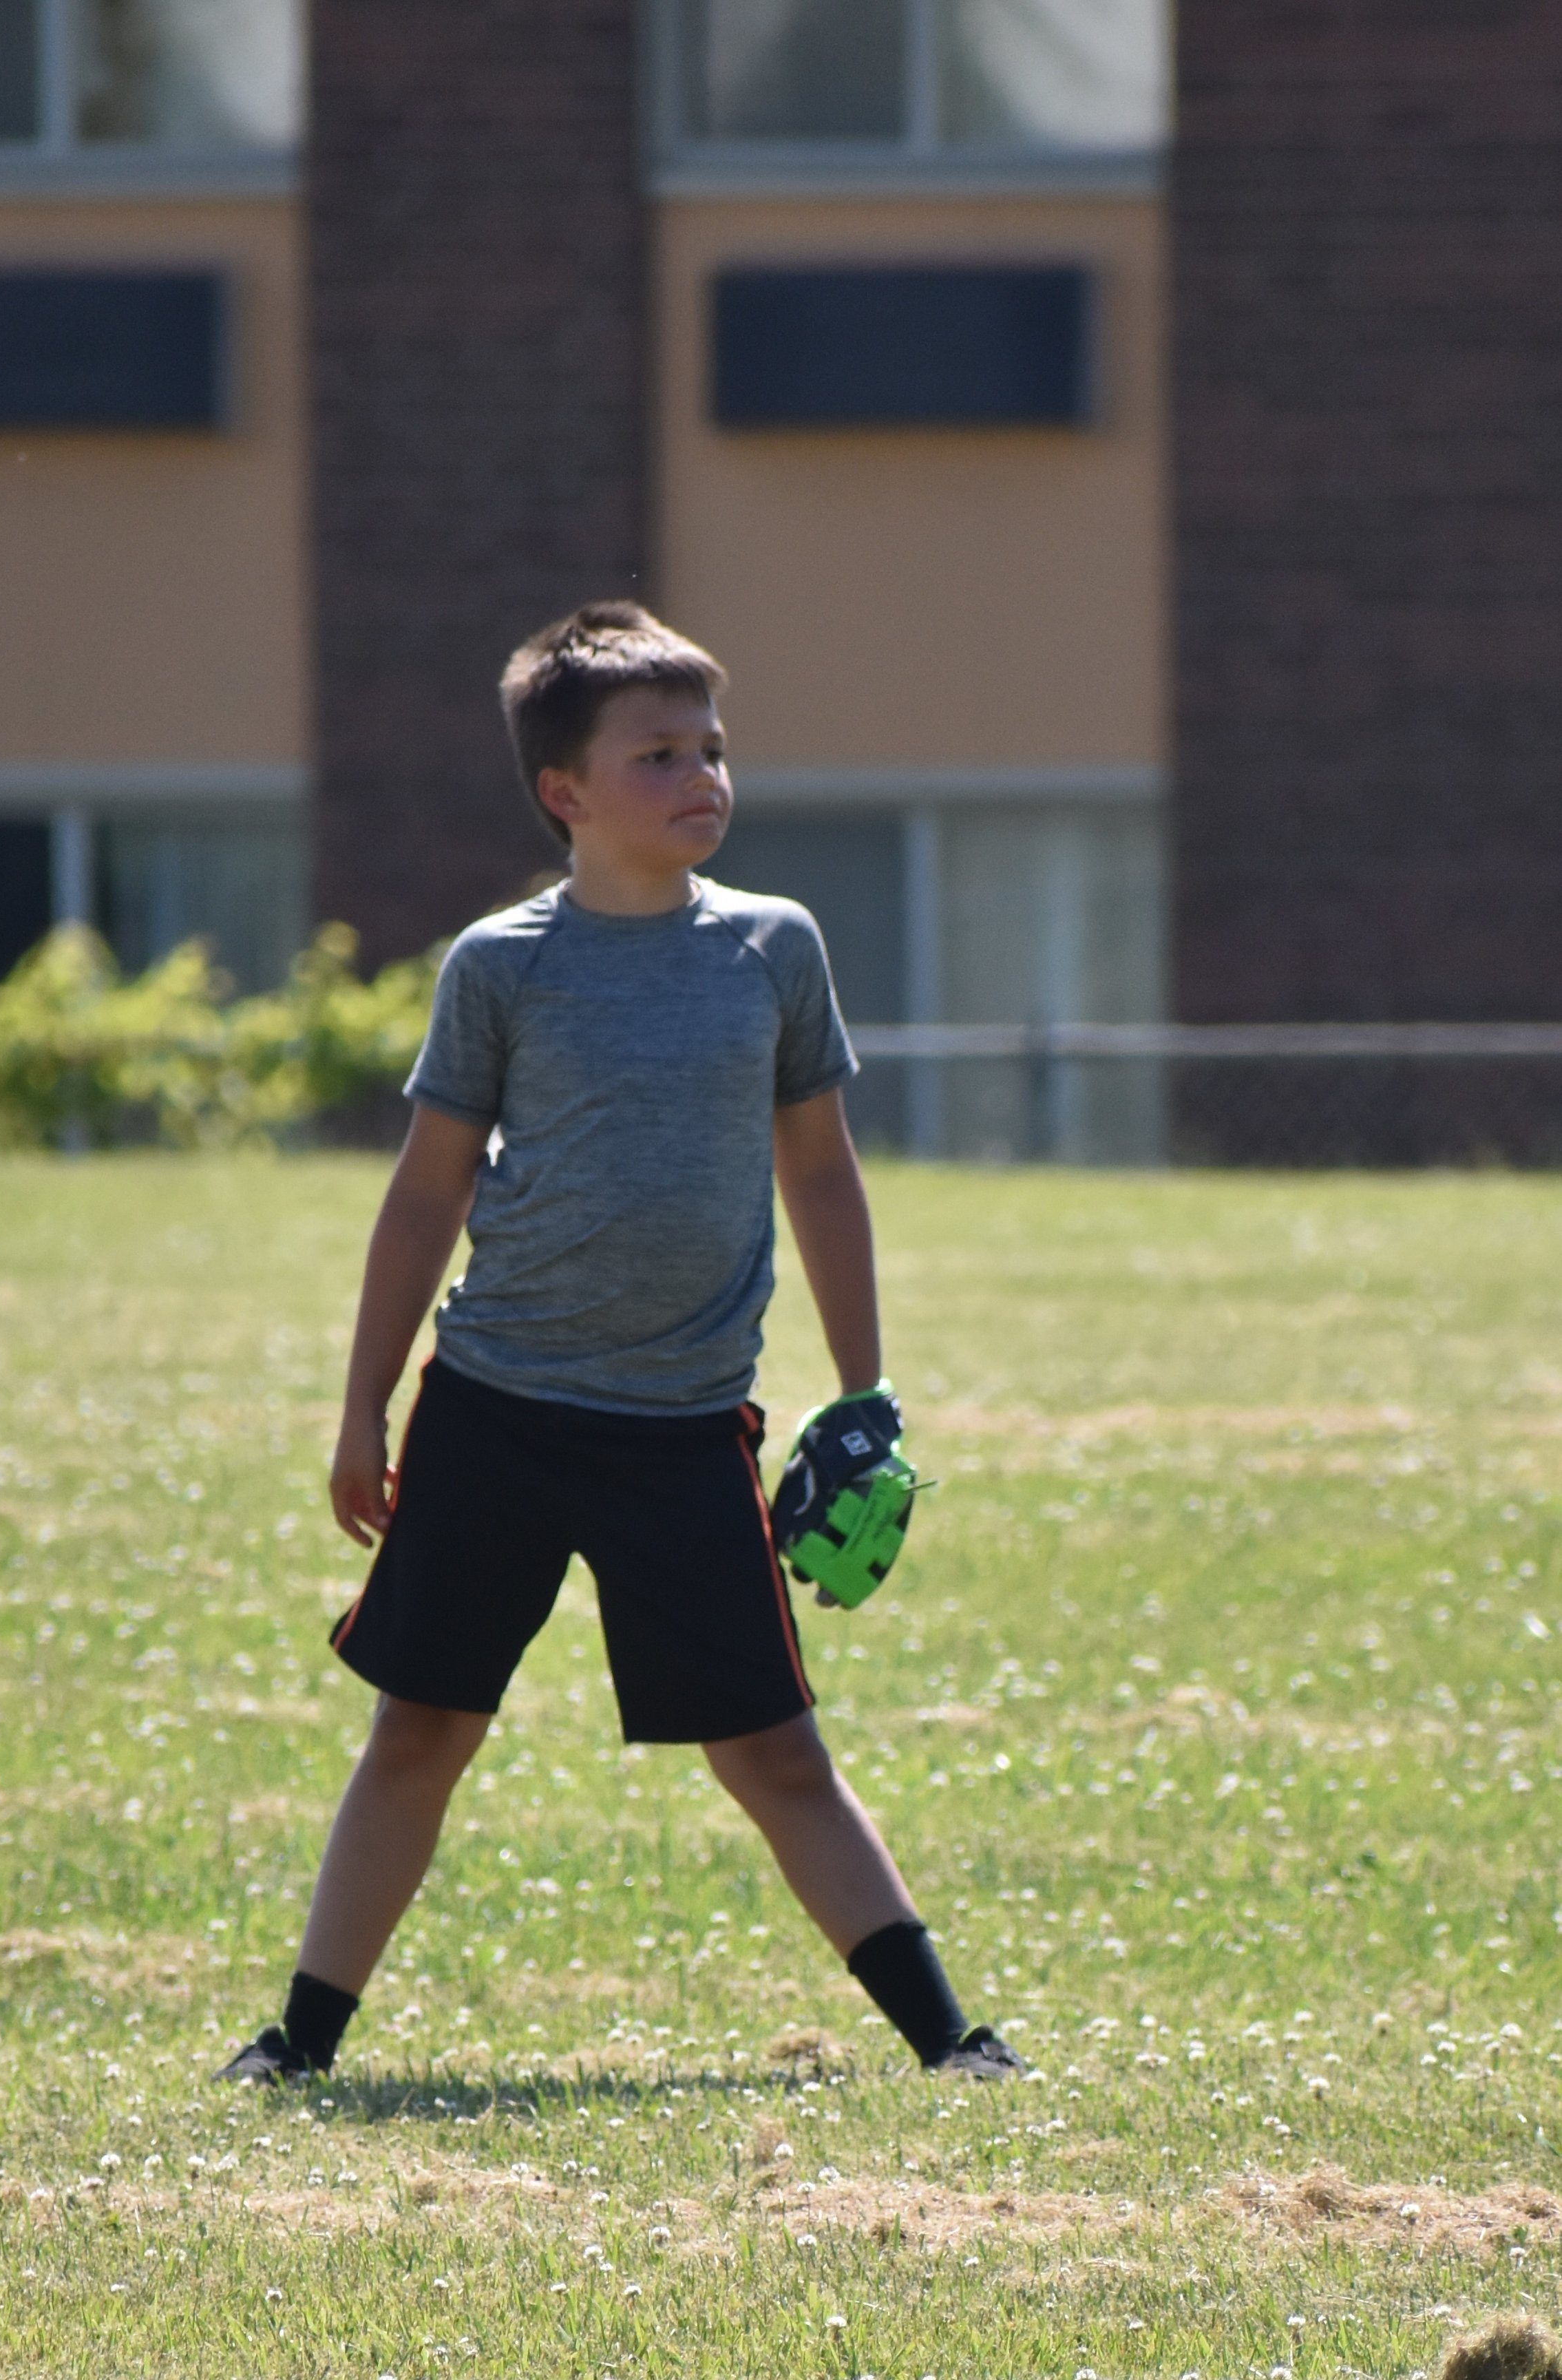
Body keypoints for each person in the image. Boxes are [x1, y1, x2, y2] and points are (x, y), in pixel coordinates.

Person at [218, 602, 1022, 2086]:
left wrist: (865, 1388)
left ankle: (950, 2043)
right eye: (655, 753)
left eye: (711, 747)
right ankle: (298, 2043)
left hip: (682, 1425)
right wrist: (361, 1411)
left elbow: (822, 1172)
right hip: (496, 1412)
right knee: (421, 1732)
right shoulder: (501, 965)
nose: (700, 774)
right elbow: (424, 1194)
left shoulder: (773, 951)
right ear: (564, 794)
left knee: (773, 1750)